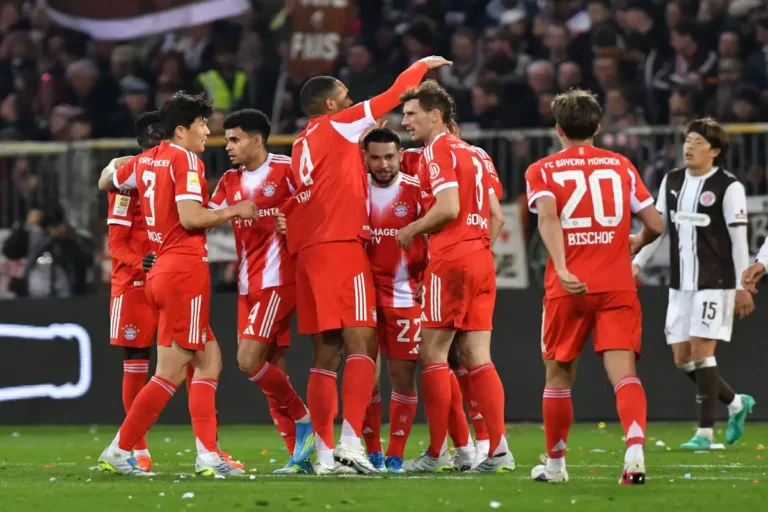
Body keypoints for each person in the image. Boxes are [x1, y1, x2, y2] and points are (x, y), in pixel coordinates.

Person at [278, 56, 451, 474]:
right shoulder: (337, 125)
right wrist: (421, 66)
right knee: (363, 344)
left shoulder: (300, 143)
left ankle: (323, 457)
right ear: (332, 106)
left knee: (325, 355)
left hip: (309, 253)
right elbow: (393, 95)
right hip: (341, 248)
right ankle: (351, 443)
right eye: (346, 98)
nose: (353, 102)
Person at [96, 92, 258, 477]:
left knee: (209, 360)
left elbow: (106, 180)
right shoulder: (185, 159)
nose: (208, 131)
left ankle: (208, 454)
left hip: (162, 272)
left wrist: (117, 163)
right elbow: (189, 218)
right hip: (183, 269)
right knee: (169, 371)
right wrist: (235, 209)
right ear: (181, 130)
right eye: (202, 124)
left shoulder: (144, 161)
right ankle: (121, 449)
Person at [524, 89, 664, 484]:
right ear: (597, 127)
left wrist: (565, 267)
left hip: (568, 287)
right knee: (625, 374)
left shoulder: (543, 169)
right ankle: (634, 449)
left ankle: (555, 467)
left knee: (558, 377)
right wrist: (634, 242)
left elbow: (548, 218)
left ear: (558, 129)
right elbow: (655, 223)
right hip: (617, 284)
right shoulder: (621, 165)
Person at [396, 80, 510, 473]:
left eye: (411, 114)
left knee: (432, 354)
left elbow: (447, 207)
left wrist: (410, 231)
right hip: (480, 256)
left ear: (435, 115)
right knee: (478, 356)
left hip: (451, 258)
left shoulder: (437, 150)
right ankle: (499, 449)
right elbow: (497, 216)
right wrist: (478, 250)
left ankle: (436, 452)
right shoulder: (477, 153)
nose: (405, 121)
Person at [633, 118, 755, 450]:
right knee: (682, 358)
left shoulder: (728, 187)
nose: (690, 147)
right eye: (688, 140)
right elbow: (657, 230)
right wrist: (637, 262)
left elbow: (738, 238)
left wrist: (743, 284)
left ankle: (705, 433)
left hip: (715, 282)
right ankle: (735, 403)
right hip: (680, 284)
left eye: (699, 142)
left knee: (702, 350)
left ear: (715, 151)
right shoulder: (672, 181)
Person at [209, 109, 313, 474]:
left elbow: (318, 202)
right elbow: (207, 216)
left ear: (257, 139)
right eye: (227, 141)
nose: (229, 147)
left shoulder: (288, 169)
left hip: (279, 280)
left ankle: (304, 417)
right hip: (247, 286)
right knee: (273, 374)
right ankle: (298, 459)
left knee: (247, 360)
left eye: (235, 139)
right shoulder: (229, 180)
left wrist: (296, 223)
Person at [105, 111, 163, 472]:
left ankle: (209, 446)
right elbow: (115, 243)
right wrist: (140, 262)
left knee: (194, 361)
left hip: (171, 280)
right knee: (136, 365)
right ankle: (136, 447)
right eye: (156, 139)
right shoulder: (125, 184)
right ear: (144, 142)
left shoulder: (176, 174)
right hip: (134, 286)